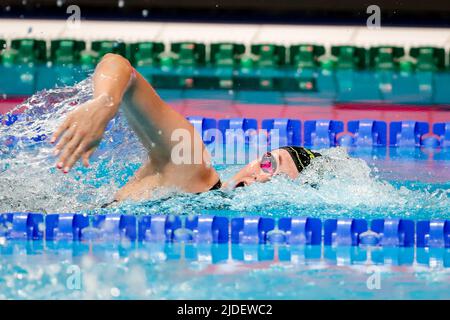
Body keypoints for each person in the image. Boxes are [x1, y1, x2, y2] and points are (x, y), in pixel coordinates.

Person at [50, 54, 320, 205]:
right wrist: (106, 103)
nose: (262, 178)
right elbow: (118, 65)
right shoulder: (192, 166)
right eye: (269, 164)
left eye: (279, 182)